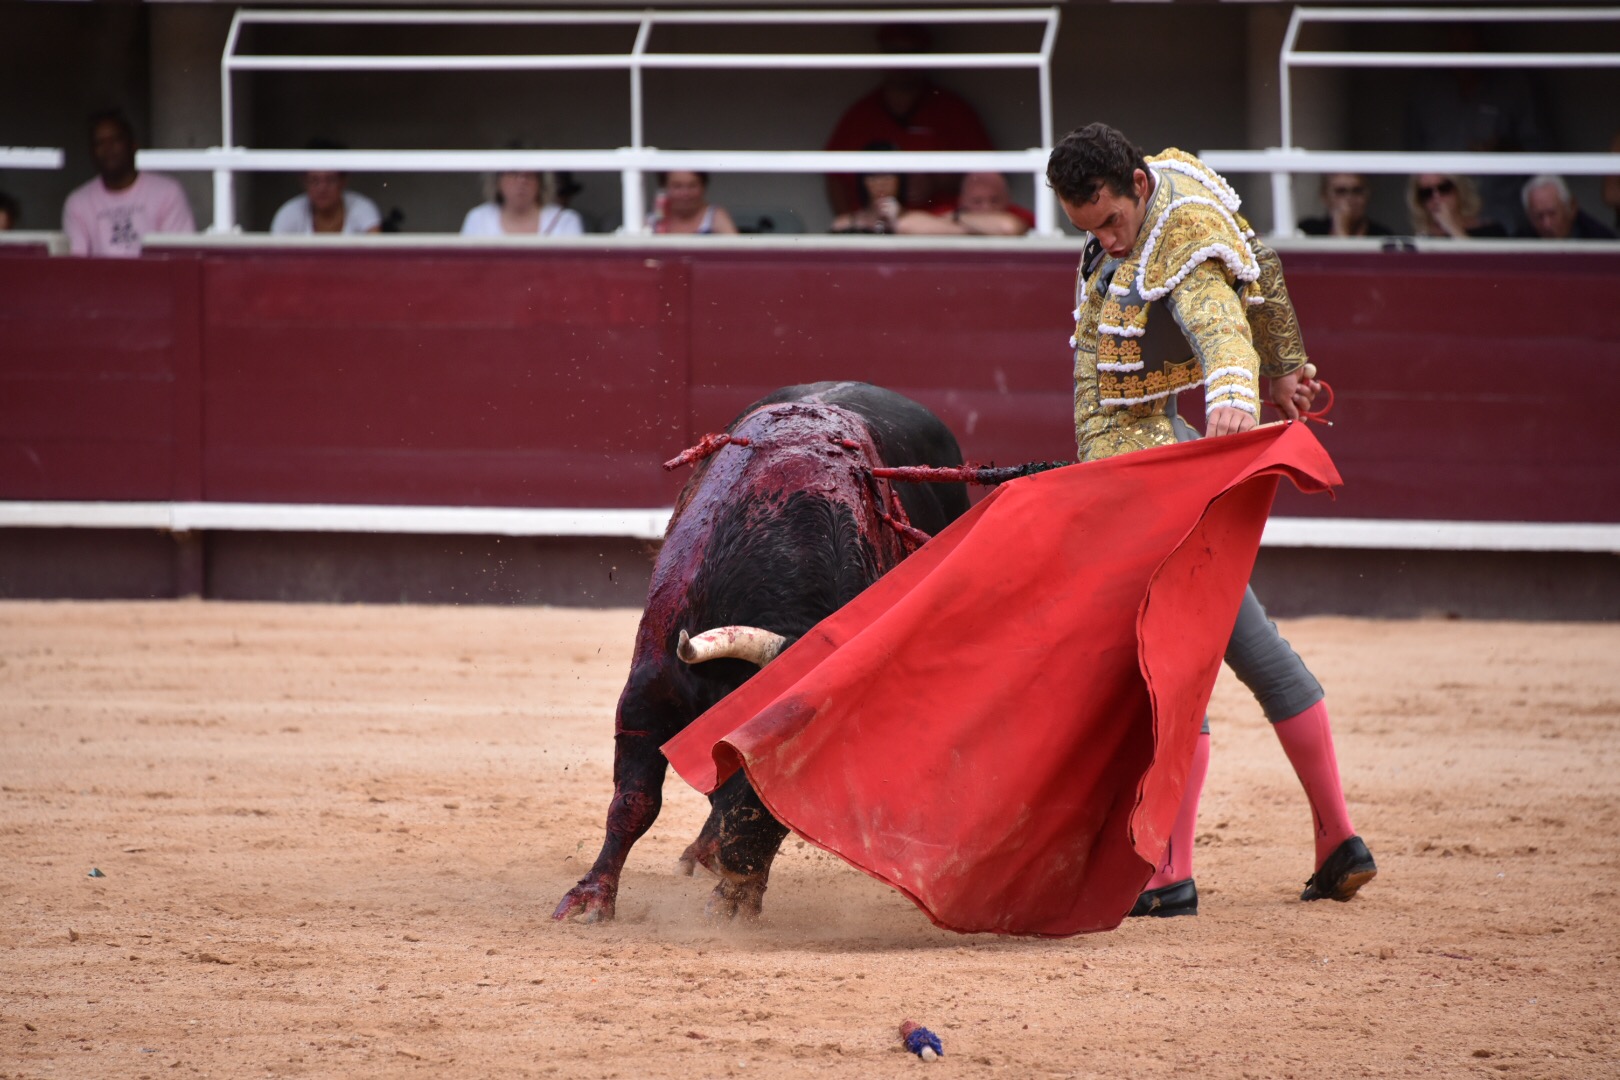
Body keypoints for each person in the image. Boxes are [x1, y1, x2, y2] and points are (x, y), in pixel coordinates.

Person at [1046, 122, 1376, 916]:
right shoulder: (1170, 182)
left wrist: (1237, 393)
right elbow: (1259, 259)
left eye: (1111, 222)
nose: (1107, 242)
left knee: (1171, 664)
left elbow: (1218, 315)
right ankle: (1338, 841)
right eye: (1089, 231)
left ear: (1134, 184)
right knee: (1250, 650)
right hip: (1151, 464)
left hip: (1154, 480)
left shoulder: (1178, 229)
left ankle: (1170, 872)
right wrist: (1289, 365)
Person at [823, 23, 993, 216]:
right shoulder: (860, 114)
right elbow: (834, 177)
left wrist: (937, 182)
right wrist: (851, 227)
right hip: (878, 231)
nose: (904, 61)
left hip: (941, 227)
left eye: (913, 52)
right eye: (895, 52)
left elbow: (988, 176)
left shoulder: (954, 110)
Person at [62, 109, 195, 257]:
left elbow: (179, 258)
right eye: (100, 143)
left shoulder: (168, 192)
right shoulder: (78, 202)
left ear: (133, 145)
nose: (108, 148)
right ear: (91, 152)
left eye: (116, 140)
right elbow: (76, 264)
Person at [271, 142, 381, 235]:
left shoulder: (362, 209)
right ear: (304, 181)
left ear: (343, 181)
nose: (322, 188)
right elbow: (274, 257)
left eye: (330, 179)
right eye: (314, 180)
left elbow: (377, 255)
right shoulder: (288, 214)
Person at [894, 171, 1032, 236]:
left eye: (994, 200)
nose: (987, 207)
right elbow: (905, 225)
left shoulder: (1019, 213)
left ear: (1007, 199)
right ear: (962, 201)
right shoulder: (951, 209)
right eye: (977, 201)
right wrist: (981, 228)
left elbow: (1008, 227)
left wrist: (958, 219)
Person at [461, 169, 585, 237]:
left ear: (541, 182)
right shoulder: (478, 218)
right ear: (497, 181)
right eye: (513, 173)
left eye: (529, 175)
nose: (521, 181)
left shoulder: (565, 220)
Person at [830, 142, 905, 234]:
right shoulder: (844, 224)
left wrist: (895, 222)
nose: (881, 183)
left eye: (888, 175)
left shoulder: (921, 224)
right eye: (873, 176)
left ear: (900, 179)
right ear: (863, 181)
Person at [1406, 173, 1507, 238]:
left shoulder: (1491, 232)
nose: (1436, 197)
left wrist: (1452, 228)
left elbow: (1486, 267)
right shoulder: (1423, 238)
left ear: (1459, 190)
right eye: (1426, 192)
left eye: (1444, 188)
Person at [1518, 174, 1616, 240]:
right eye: (1539, 216)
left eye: (1552, 214)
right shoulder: (1518, 243)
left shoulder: (1600, 240)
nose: (1546, 224)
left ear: (1571, 207)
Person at [1297, 173, 1394, 237]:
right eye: (1341, 191)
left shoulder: (1382, 236)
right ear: (1325, 196)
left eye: (1357, 191)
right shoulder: (1309, 231)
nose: (1349, 198)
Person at [646, 171, 737, 235]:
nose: (685, 193)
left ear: (703, 187)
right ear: (664, 188)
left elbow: (738, 251)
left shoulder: (716, 217)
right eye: (677, 186)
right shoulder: (652, 222)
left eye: (692, 186)